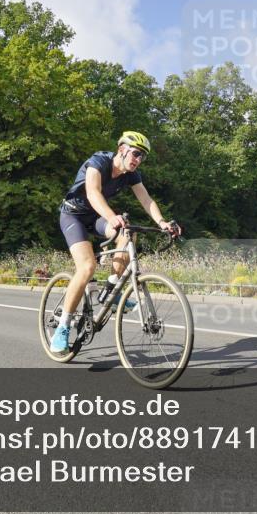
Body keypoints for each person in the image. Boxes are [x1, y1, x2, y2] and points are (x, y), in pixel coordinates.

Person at [52, 131, 181, 355]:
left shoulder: (131, 175)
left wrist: (162, 223)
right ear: (122, 149)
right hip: (73, 216)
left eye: (142, 157)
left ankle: (110, 291)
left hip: (95, 218)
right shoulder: (99, 161)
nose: (138, 160)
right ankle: (63, 326)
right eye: (136, 153)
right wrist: (112, 217)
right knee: (87, 267)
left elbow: (146, 199)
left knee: (128, 232)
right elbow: (92, 192)